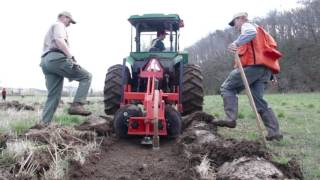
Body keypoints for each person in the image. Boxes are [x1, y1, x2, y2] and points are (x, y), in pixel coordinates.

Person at [212, 12, 283, 141]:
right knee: (258, 100)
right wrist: (271, 74)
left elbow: (250, 34)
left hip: (253, 68)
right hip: (264, 70)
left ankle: (230, 118)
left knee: (227, 88)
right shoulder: (263, 32)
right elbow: (266, 52)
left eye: (235, 22)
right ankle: (274, 132)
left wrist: (236, 43)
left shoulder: (247, 26)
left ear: (241, 18)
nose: (235, 26)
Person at [39, 11, 92, 126]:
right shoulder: (59, 25)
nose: (69, 24)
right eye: (69, 21)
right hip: (56, 59)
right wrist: (71, 57)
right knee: (86, 76)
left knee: (54, 95)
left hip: (45, 62)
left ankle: (43, 124)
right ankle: (77, 105)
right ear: (63, 17)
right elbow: (59, 40)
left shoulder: (51, 28)